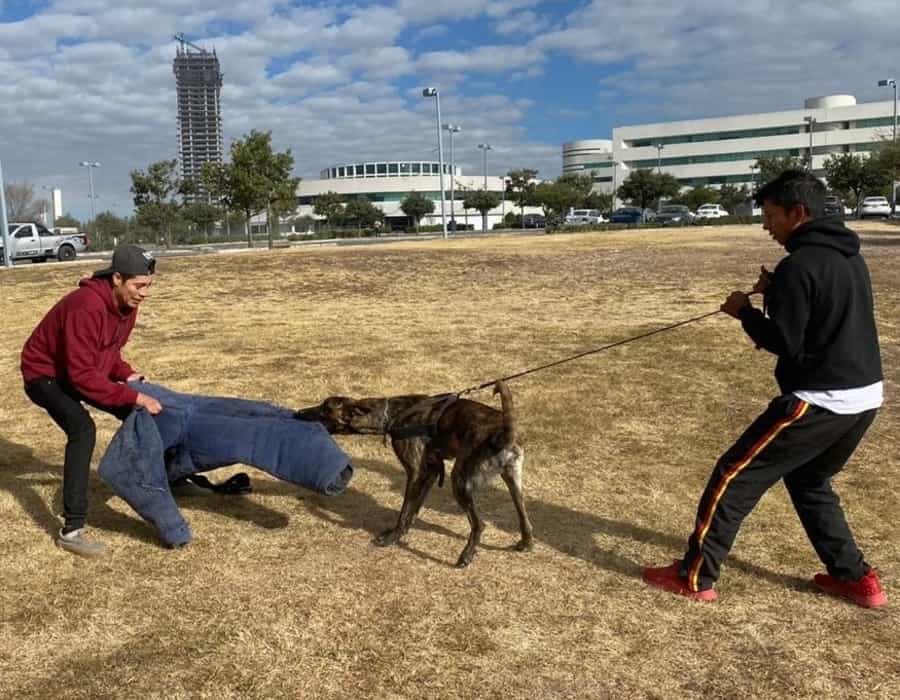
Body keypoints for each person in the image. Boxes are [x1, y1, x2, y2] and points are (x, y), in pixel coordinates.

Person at [643, 169, 886, 608]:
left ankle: (694, 577)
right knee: (810, 481)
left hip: (819, 399)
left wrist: (744, 311)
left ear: (798, 213)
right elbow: (818, 313)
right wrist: (776, 292)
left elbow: (784, 343)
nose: (765, 225)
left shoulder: (800, 266)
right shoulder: (847, 257)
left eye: (771, 216)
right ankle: (855, 579)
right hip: (865, 396)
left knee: (732, 476)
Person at [21, 244, 163, 557]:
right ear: (117, 278)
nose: (144, 293)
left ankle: (172, 479)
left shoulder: (127, 305)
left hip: (76, 369)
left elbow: (108, 351)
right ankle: (71, 530)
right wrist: (133, 396)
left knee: (140, 412)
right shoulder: (85, 306)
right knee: (82, 429)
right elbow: (82, 377)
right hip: (43, 374)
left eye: (149, 285)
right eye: (139, 286)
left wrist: (126, 375)